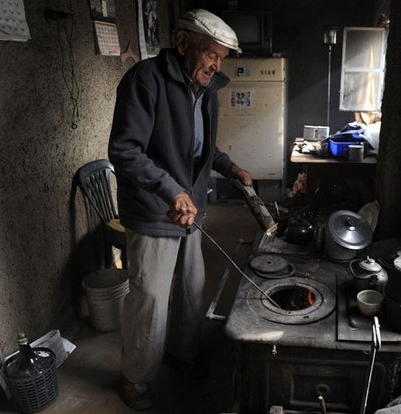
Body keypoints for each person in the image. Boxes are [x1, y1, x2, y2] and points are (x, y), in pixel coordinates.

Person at [107, 9, 252, 411]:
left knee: (190, 288)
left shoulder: (207, 88)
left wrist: (229, 166)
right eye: (211, 55)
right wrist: (171, 191)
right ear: (184, 43)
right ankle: (135, 376)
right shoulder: (145, 81)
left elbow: (200, 148)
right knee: (150, 298)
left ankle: (181, 354)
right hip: (155, 209)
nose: (216, 65)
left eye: (222, 58)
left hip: (191, 209)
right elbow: (124, 150)